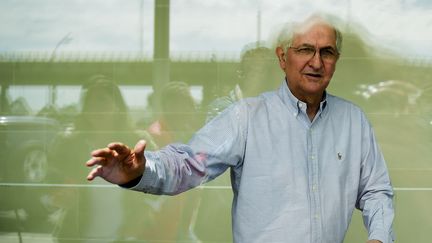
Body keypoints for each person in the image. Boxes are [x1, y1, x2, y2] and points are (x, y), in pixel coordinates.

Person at [86, 15, 394, 243]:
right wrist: (138, 171)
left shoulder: (353, 121)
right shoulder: (245, 118)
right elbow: (188, 164)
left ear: (336, 60)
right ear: (282, 57)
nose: (316, 61)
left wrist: (378, 237)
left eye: (326, 52)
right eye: (305, 50)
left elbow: (376, 190)